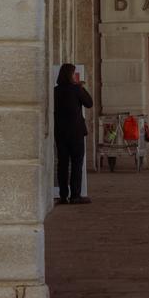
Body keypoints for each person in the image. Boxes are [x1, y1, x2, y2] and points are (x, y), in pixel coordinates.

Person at [53, 63, 93, 206]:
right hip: (76, 132)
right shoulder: (76, 89)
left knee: (62, 164)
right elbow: (89, 103)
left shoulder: (55, 91)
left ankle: (63, 196)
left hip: (60, 133)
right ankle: (75, 196)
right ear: (71, 75)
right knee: (77, 163)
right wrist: (80, 87)